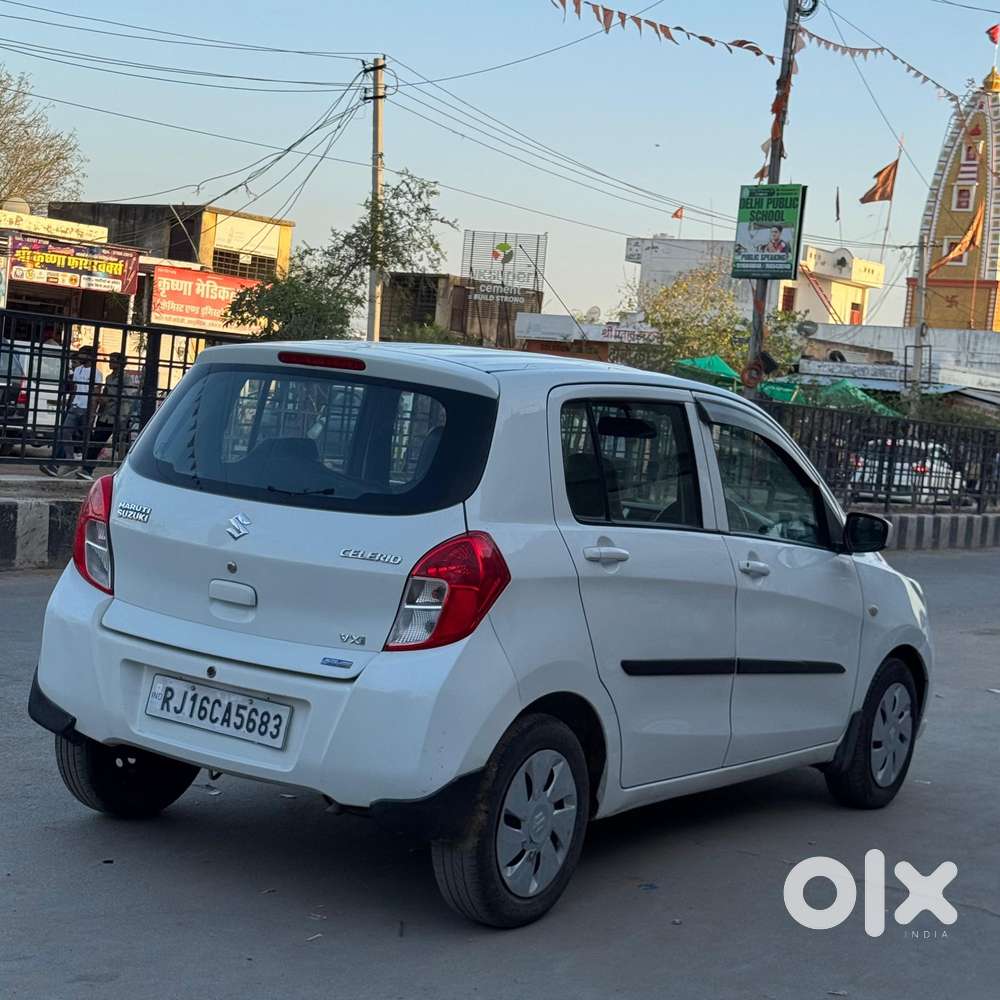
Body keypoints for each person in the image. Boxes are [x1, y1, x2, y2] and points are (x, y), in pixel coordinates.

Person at [40, 344, 103, 479]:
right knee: (65, 431)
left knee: (85, 437)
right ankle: (70, 459)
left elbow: (96, 393)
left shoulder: (96, 373)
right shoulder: (78, 370)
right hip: (75, 406)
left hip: (86, 407)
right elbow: (75, 389)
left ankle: (86, 466)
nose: (80, 357)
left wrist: (92, 412)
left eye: (83, 354)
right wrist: (71, 404)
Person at [80, 352, 139, 480]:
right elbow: (106, 392)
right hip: (106, 414)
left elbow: (128, 394)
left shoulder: (126, 378)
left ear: (121, 363)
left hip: (119, 415)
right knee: (97, 441)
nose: (110, 363)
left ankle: (126, 474)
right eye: (110, 360)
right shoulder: (109, 377)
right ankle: (87, 469)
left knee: (122, 445)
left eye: (113, 360)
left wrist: (111, 397)